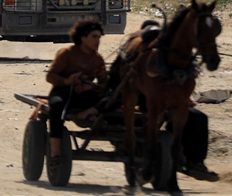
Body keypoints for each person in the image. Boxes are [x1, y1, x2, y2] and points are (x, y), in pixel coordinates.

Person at [121, 20, 219, 182]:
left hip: (168, 106)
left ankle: (195, 162)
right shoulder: (135, 58)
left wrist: (184, 99)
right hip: (145, 106)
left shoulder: (172, 60)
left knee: (199, 118)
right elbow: (118, 87)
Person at [45, 21, 108, 163]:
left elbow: (104, 84)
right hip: (63, 91)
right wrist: (68, 81)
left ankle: (90, 114)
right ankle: (55, 152)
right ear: (82, 37)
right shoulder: (66, 53)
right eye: (94, 36)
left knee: (111, 101)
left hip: (84, 94)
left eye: (99, 37)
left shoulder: (98, 59)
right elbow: (50, 76)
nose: (97, 41)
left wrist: (90, 87)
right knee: (56, 106)